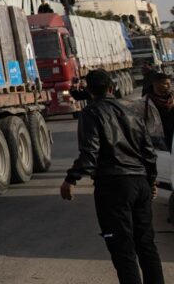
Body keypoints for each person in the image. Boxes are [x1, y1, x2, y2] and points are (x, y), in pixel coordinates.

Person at [61, 69, 164, 284]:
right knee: (146, 245)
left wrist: (71, 179)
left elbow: (90, 152)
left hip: (113, 186)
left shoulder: (91, 113)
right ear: (112, 87)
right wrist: (151, 180)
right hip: (140, 182)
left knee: (122, 248)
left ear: (89, 90)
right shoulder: (133, 110)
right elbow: (149, 151)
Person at [145, 71, 174, 150]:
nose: (169, 86)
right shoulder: (145, 102)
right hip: (158, 140)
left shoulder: (172, 99)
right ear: (155, 84)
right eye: (165, 84)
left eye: (170, 83)